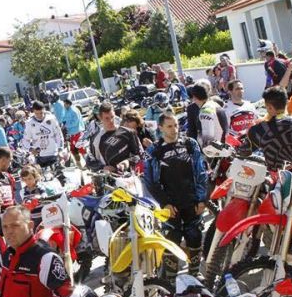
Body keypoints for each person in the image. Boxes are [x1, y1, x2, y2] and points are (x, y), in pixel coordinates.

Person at [144, 113, 208, 277]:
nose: (174, 130)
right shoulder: (154, 150)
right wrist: (164, 203)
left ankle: (193, 276)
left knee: (194, 236)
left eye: (176, 125)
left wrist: (201, 199)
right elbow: (150, 182)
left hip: (191, 200)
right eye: (169, 126)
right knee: (171, 239)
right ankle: (170, 281)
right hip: (169, 205)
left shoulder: (189, 144)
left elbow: (201, 172)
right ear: (160, 128)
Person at [88, 102, 143, 172]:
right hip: (109, 179)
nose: (111, 121)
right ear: (100, 118)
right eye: (106, 118)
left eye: (112, 117)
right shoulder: (95, 139)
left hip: (130, 176)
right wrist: (103, 167)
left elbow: (139, 155)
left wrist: (127, 162)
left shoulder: (129, 132)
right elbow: (90, 161)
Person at [21, 101, 65, 169]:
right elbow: (25, 140)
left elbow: (58, 135)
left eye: (41, 113)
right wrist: (31, 149)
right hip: (40, 156)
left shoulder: (51, 119)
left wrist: (60, 149)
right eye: (36, 113)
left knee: (60, 175)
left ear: (44, 109)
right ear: (33, 111)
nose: (39, 115)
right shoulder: (29, 123)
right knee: (38, 177)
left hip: (53, 153)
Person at [61, 98, 85, 166]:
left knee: (81, 149)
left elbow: (75, 122)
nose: (64, 105)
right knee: (74, 150)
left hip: (77, 132)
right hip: (72, 133)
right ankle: (79, 165)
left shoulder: (74, 110)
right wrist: (63, 124)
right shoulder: (67, 110)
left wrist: (66, 126)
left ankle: (86, 163)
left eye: (65, 104)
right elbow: (65, 119)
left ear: (68, 104)